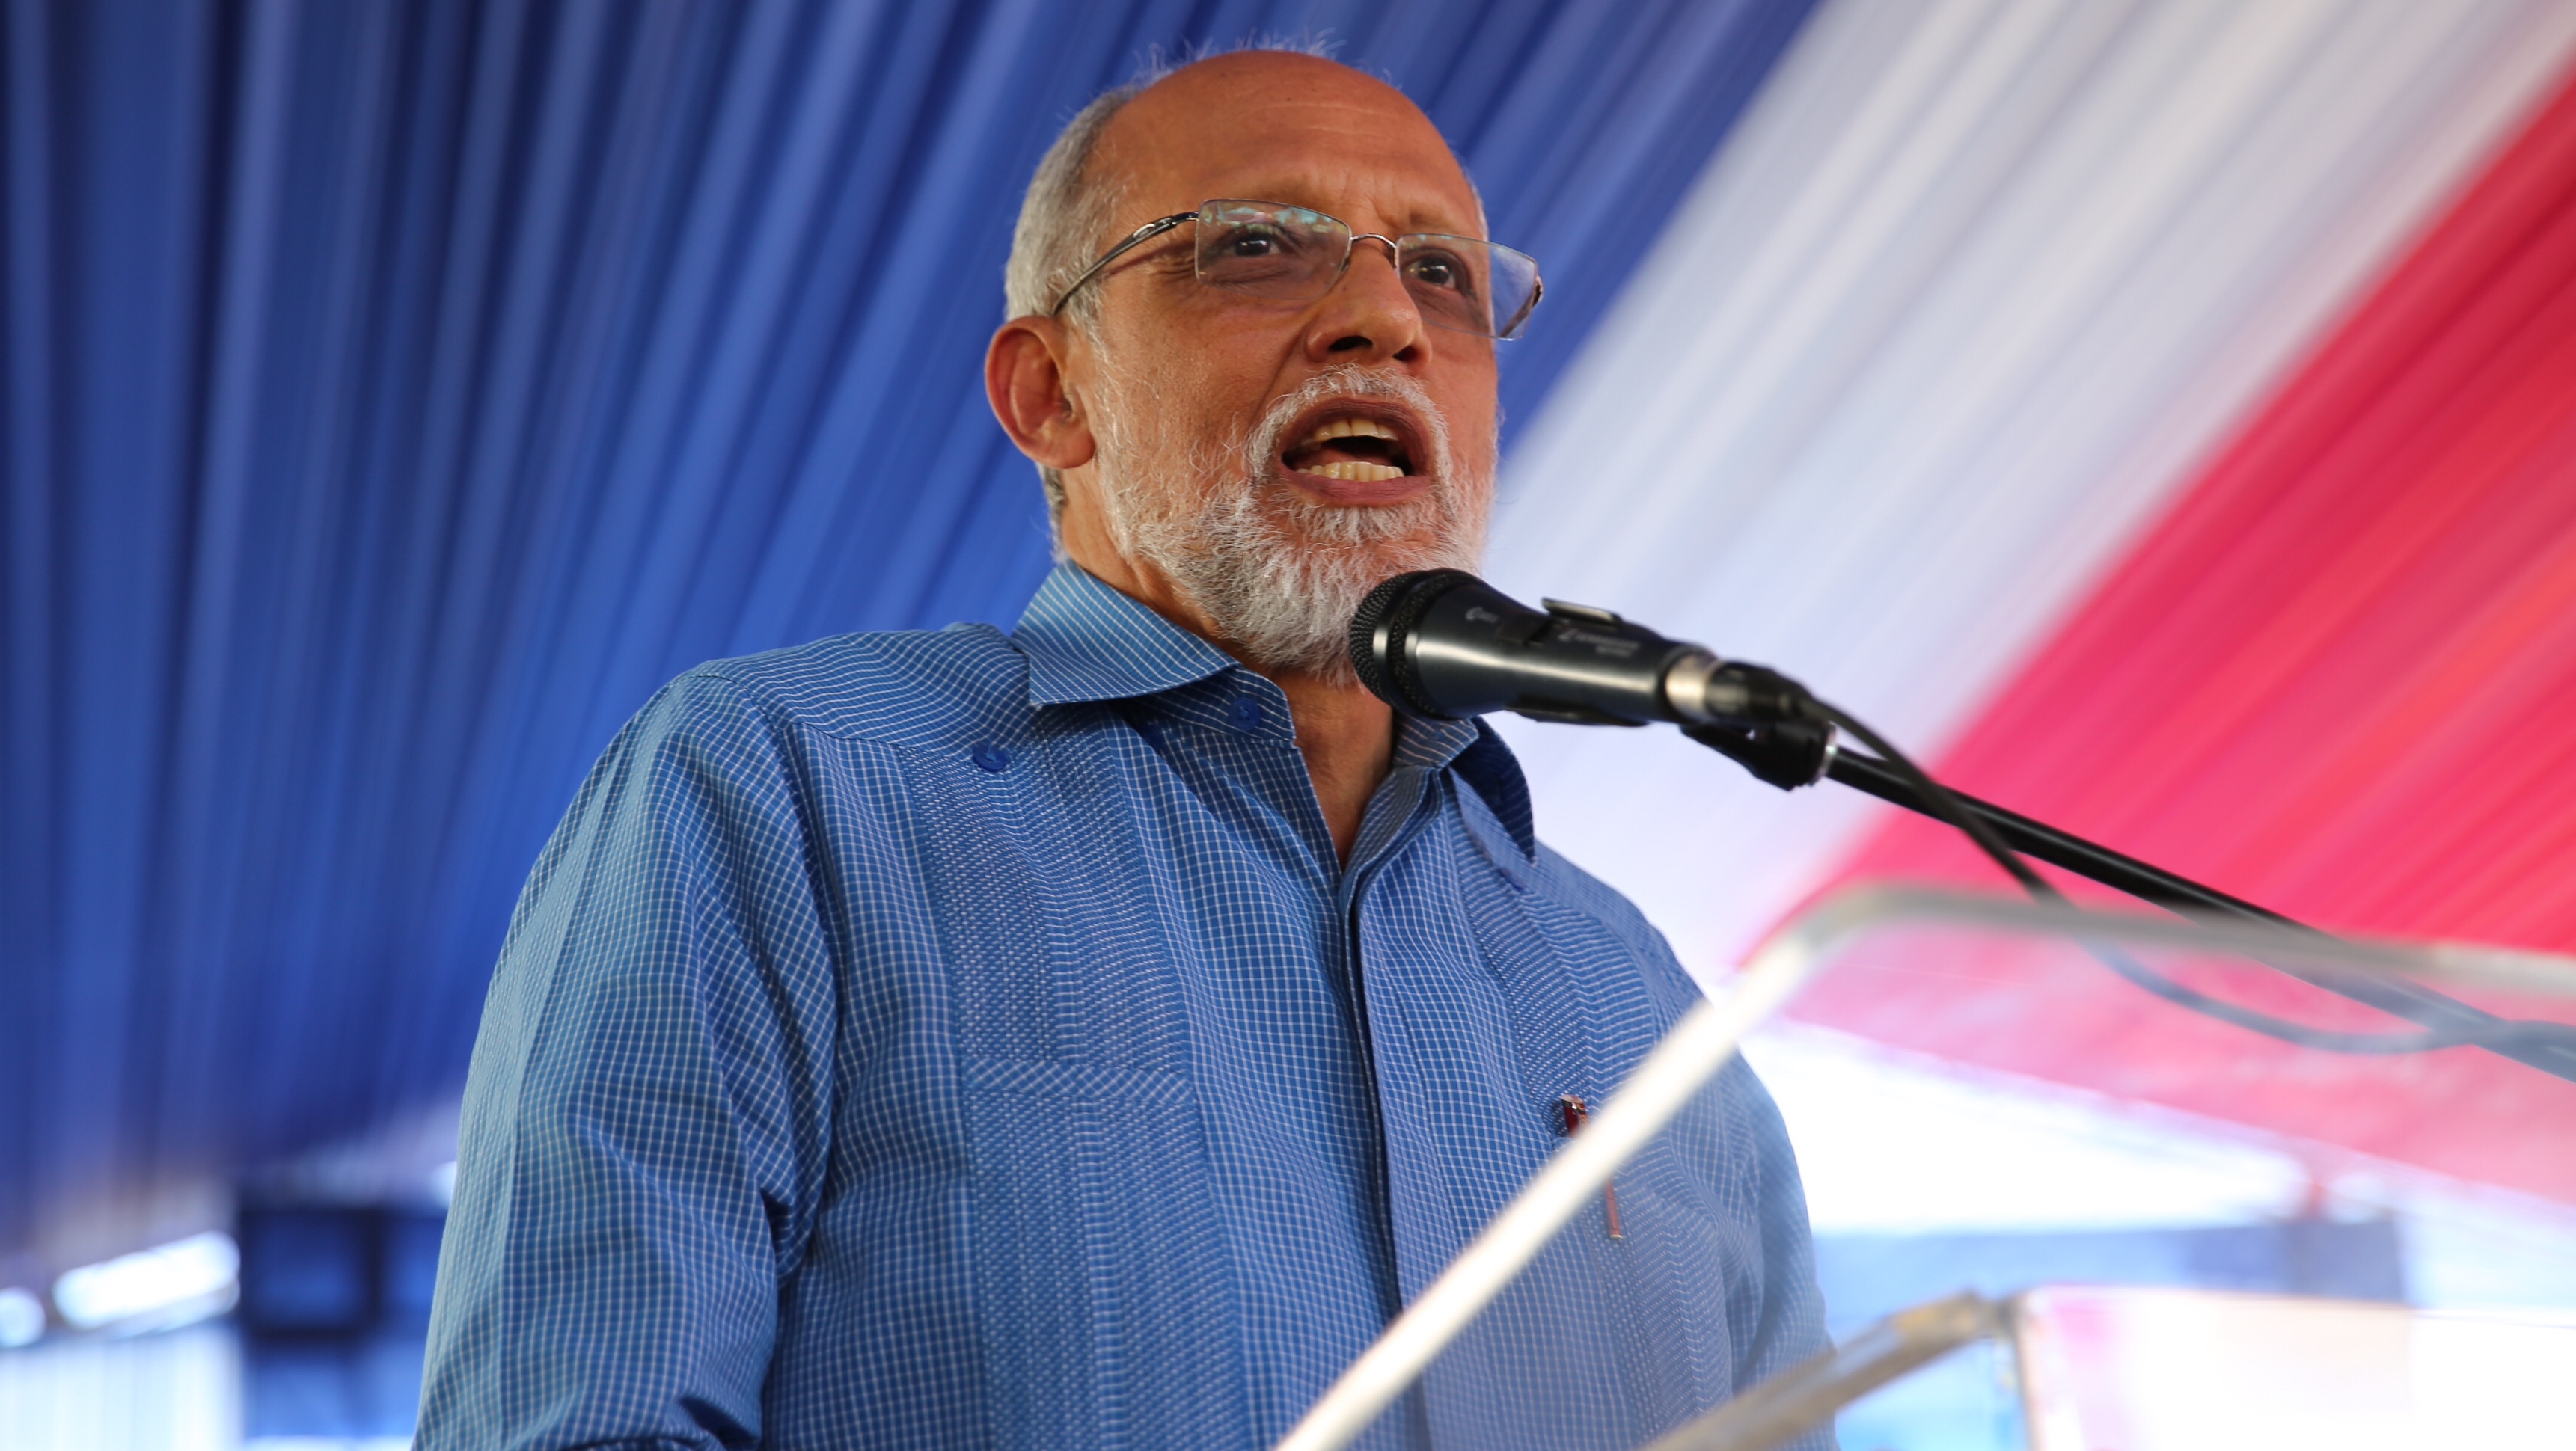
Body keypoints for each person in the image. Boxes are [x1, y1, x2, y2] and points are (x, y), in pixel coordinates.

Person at [419, 47, 1830, 1451]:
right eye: (1259, 248)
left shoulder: (1639, 997)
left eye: (1444, 275)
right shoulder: (779, 791)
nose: (1386, 319)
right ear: (1053, 394)